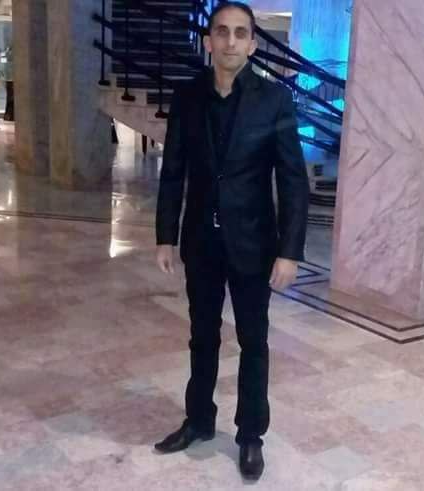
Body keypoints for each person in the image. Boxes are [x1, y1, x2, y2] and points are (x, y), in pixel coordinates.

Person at [154, 1, 308, 480]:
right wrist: (165, 236)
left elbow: (292, 180)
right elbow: (173, 170)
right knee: (202, 335)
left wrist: (289, 251)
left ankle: (250, 435)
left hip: (254, 244)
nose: (230, 41)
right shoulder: (187, 97)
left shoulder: (274, 100)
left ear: (253, 44)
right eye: (221, 31)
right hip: (201, 240)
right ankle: (199, 420)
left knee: (253, 341)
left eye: (241, 33)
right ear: (208, 41)